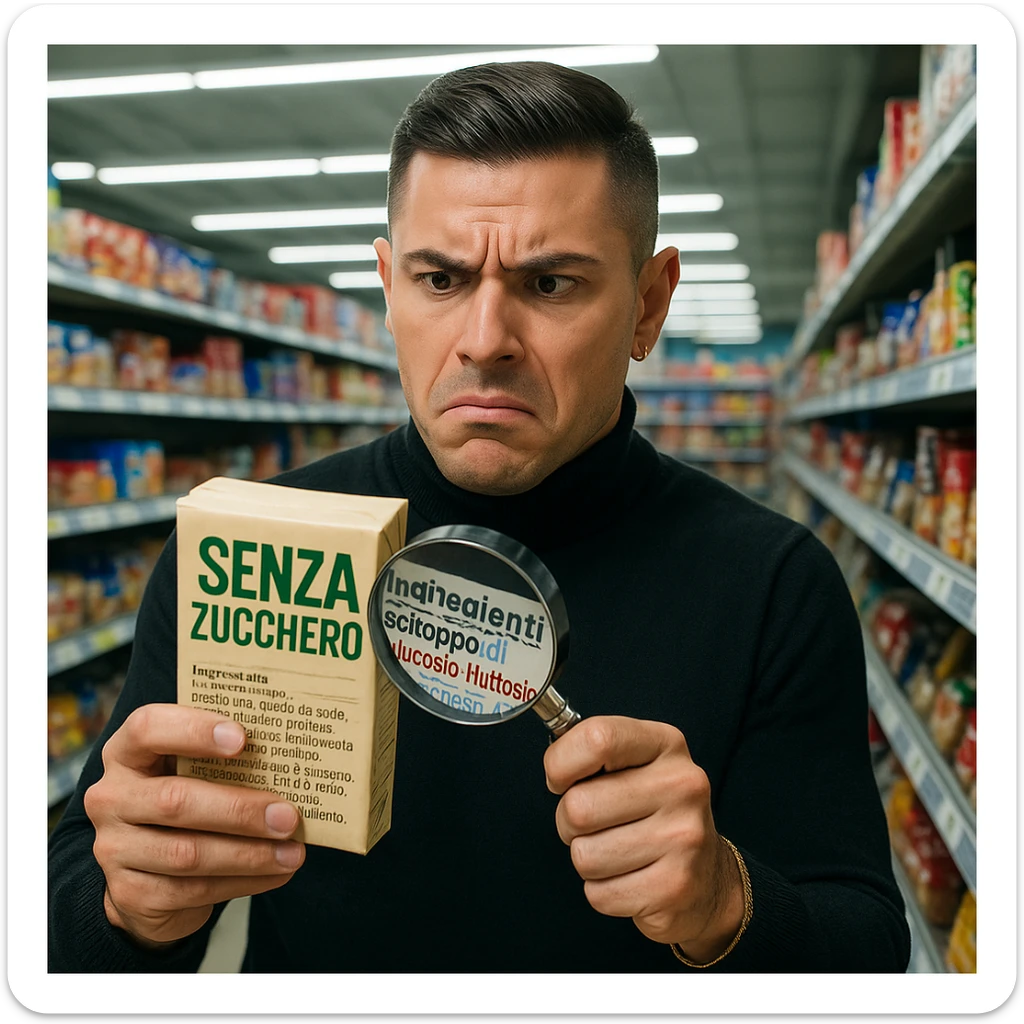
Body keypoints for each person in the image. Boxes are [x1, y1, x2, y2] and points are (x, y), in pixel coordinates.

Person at [48, 61, 911, 974]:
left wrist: (727, 902)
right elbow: (69, 921)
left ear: (649, 304)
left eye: (551, 285)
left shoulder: (773, 582)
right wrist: (130, 909)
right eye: (440, 278)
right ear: (388, 286)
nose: (485, 338)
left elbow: (864, 943)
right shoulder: (244, 543)